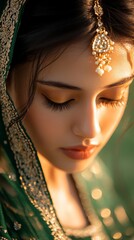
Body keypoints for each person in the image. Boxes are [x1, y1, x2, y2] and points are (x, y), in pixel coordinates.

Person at [0, 0, 134, 239]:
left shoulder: (94, 175)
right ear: (5, 73)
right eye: (58, 99)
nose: (90, 130)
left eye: (112, 97)